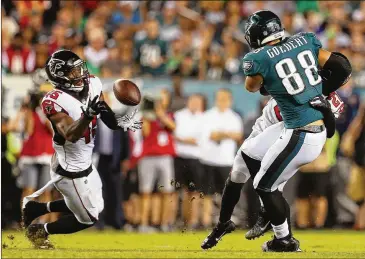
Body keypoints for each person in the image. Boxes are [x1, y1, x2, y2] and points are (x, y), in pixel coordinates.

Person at [202, 10, 351, 252]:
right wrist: (321, 90)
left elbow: (252, 87)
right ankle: (227, 222)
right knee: (245, 157)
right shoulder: (305, 41)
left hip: (303, 131)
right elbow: (341, 65)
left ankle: (284, 239)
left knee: (264, 184)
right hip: (294, 124)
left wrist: (273, 78)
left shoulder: (257, 58)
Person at [22, 49, 142, 249]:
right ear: (60, 75)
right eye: (73, 72)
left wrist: (121, 120)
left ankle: (37, 208)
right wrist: (87, 115)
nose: (80, 74)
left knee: (97, 205)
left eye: (80, 69)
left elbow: (107, 118)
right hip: (69, 168)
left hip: (86, 160)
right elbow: (70, 134)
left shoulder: (93, 83)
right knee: (88, 217)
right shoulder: (53, 100)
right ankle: (40, 231)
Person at [199, 89, 243, 228]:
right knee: (207, 193)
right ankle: (205, 221)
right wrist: (227, 134)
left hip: (226, 160)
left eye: (225, 98)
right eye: (220, 98)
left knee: (226, 194)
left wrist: (221, 134)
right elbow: (211, 136)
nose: (222, 101)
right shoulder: (208, 115)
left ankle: (224, 221)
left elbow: (238, 136)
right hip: (208, 159)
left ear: (230, 100)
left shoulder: (234, 117)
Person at [174, 94, 205, 229]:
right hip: (179, 157)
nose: (195, 104)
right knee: (178, 191)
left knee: (194, 192)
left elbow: (200, 140)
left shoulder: (204, 118)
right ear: (188, 102)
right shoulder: (178, 116)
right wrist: (188, 139)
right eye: (192, 101)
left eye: (197, 101)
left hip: (195, 159)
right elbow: (175, 135)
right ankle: (179, 220)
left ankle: (192, 221)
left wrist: (183, 139)